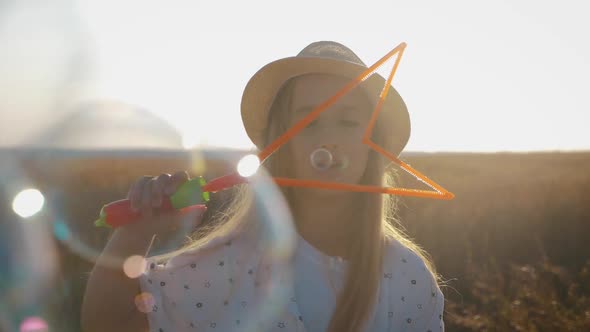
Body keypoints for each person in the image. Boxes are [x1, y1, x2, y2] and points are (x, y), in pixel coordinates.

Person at [81, 41, 446, 332]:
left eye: (349, 122)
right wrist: (135, 234)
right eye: (308, 122)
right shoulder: (225, 264)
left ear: (373, 145)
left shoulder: (407, 277)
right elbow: (107, 324)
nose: (329, 139)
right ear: (279, 144)